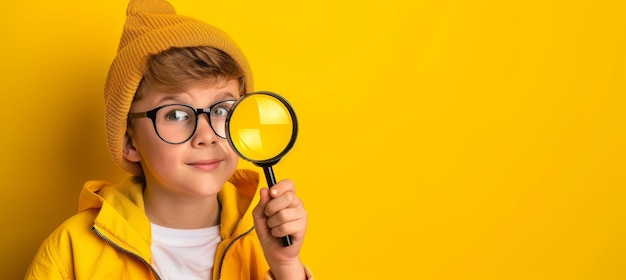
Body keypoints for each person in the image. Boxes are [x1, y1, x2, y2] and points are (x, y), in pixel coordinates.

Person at [24, 0, 311, 279]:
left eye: (222, 110)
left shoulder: (266, 241)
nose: (206, 135)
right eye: (175, 115)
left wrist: (286, 267)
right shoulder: (72, 250)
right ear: (129, 143)